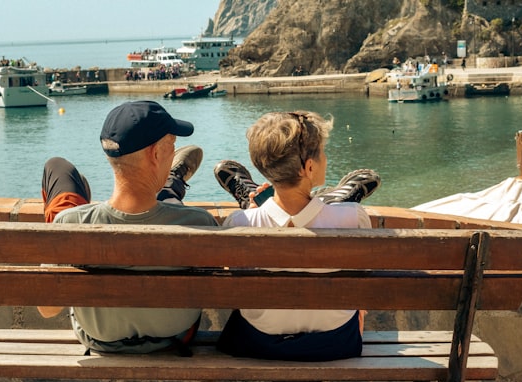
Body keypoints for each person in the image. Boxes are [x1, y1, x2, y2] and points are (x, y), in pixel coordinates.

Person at [38, 100, 219, 354]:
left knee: (57, 168)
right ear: (156, 154)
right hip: (174, 337)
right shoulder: (199, 223)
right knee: (168, 206)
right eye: (171, 146)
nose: (172, 150)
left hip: (99, 339)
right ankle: (169, 188)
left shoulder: (69, 224)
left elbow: (47, 309)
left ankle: (167, 188)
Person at [211, 110, 380, 361]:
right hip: (336, 344)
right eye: (322, 153)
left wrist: (254, 215)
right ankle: (334, 200)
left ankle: (252, 199)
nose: (325, 158)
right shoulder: (354, 218)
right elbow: (363, 288)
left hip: (257, 344)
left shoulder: (239, 224)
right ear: (309, 167)